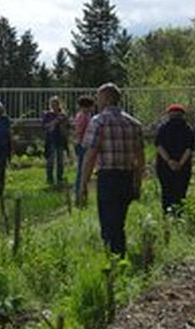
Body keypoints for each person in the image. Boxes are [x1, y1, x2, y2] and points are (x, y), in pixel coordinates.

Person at [78, 83, 145, 257]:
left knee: (108, 222)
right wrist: (138, 181)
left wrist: (83, 184)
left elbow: (90, 155)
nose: (96, 101)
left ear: (107, 98)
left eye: (98, 97)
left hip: (108, 177)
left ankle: (115, 260)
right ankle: (119, 254)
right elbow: (140, 157)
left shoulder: (98, 121)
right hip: (127, 176)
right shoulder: (133, 123)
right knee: (119, 220)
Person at [156, 104, 194, 214]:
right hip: (183, 167)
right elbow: (189, 148)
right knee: (181, 192)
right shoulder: (187, 128)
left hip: (164, 166)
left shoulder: (163, 128)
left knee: (166, 191)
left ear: (169, 114)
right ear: (182, 115)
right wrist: (180, 163)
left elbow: (159, 146)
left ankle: (167, 215)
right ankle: (179, 215)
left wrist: (169, 161)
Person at [42, 96, 69, 185]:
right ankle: (49, 178)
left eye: (55, 104)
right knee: (50, 160)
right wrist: (55, 122)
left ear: (58, 105)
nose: (54, 106)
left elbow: (66, 128)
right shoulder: (47, 115)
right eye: (52, 104)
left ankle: (59, 177)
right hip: (50, 140)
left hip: (60, 139)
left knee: (60, 160)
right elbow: (45, 127)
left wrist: (62, 123)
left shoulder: (63, 115)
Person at [73, 95, 95, 196]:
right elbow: (80, 131)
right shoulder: (83, 117)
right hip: (82, 144)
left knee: (82, 168)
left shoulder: (84, 115)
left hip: (82, 143)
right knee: (82, 169)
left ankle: (81, 191)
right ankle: (79, 192)